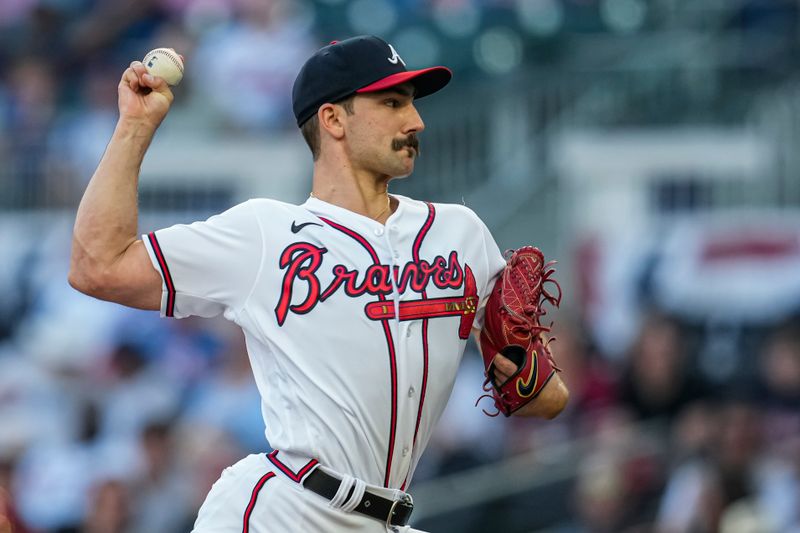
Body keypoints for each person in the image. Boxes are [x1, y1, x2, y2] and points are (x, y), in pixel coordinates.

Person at [69, 35, 569, 533]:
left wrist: (525, 372)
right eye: (392, 103)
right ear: (332, 120)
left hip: (388, 517)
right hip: (285, 510)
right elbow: (98, 267)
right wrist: (134, 127)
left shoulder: (461, 234)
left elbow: (548, 401)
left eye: (412, 104)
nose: (415, 121)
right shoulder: (265, 234)